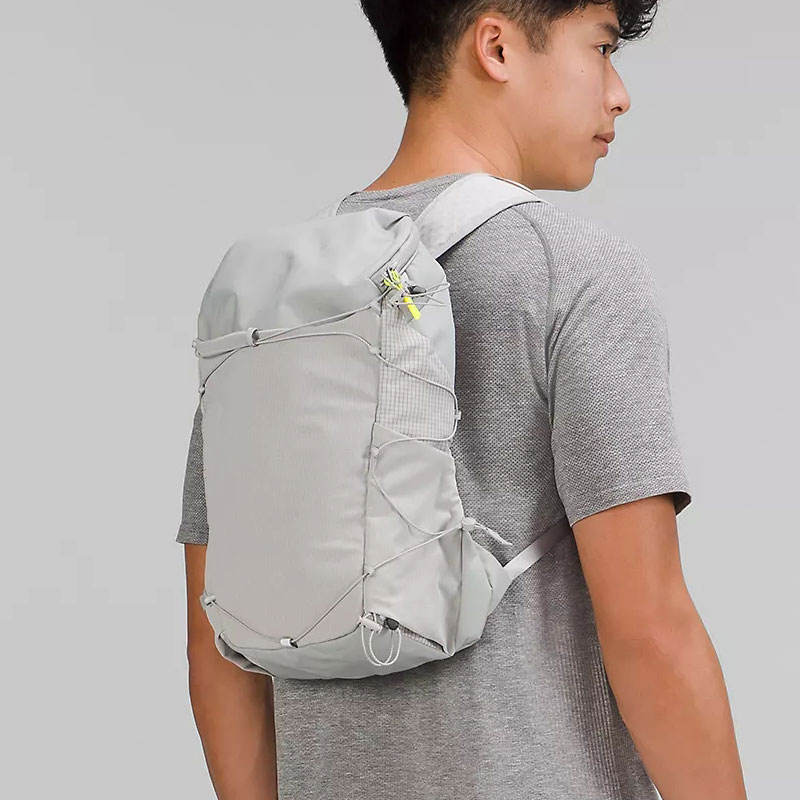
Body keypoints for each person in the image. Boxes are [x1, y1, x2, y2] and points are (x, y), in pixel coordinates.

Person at [176, 2, 748, 798]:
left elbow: (217, 646)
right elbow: (650, 631)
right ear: (497, 46)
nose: (619, 94)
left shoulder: (276, 295)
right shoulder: (576, 274)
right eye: (602, 48)